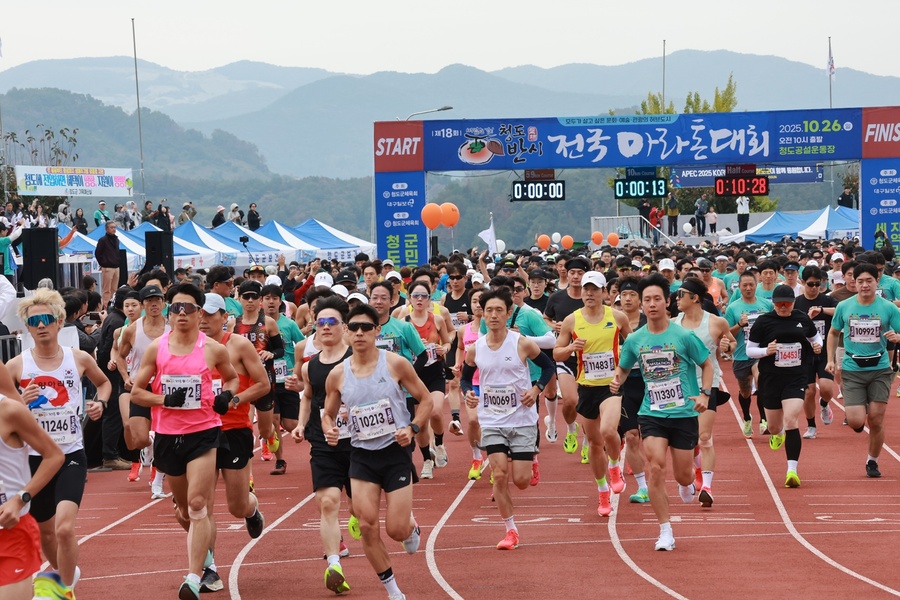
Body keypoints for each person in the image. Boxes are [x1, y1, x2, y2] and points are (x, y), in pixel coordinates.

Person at [130, 282, 239, 600]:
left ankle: (194, 576)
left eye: (188, 308)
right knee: (181, 510)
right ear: (168, 310)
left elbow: (231, 377)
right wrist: (165, 398)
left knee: (197, 504)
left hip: (204, 432)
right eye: (175, 307)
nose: (180, 313)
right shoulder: (157, 348)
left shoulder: (212, 349)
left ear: (198, 312)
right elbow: (137, 392)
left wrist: (227, 397)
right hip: (167, 437)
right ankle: (205, 559)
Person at [321, 303, 432, 600]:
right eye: (353, 327)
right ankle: (394, 592)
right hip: (361, 456)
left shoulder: (395, 364)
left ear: (376, 331)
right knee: (367, 525)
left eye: (366, 328)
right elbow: (328, 414)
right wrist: (329, 428)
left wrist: (413, 428)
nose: (359, 333)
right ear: (346, 332)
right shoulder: (337, 375)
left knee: (395, 530)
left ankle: (410, 527)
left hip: (395, 452)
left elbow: (425, 399)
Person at [5, 289, 111, 595]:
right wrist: (20, 402)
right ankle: (67, 573)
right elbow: (5, 411)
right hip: (33, 461)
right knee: (46, 534)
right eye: (34, 320)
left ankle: (65, 589)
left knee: (65, 528)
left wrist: (99, 404)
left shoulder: (76, 359)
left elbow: (103, 383)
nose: (41, 325)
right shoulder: (16, 366)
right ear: (27, 326)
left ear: (59, 321)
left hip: (70, 455)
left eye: (46, 319)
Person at [610, 273, 713, 551]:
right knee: (655, 467)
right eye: (647, 300)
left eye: (657, 298)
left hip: (683, 414)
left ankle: (688, 483)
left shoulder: (683, 336)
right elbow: (624, 365)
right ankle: (665, 530)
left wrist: (704, 393)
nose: (652, 304)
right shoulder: (635, 340)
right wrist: (617, 378)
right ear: (641, 305)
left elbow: (706, 365)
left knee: (683, 475)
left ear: (667, 301)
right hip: (651, 413)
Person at [460, 287, 555, 550]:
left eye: (498, 310)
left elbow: (549, 366)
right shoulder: (475, 348)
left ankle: (532, 460)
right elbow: (466, 378)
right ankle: (510, 530)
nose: (492, 315)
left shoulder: (521, 343)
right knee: (499, 474)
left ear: (508, 313)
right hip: (492, 419)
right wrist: (469, 393)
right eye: (488, 310)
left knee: (521, 482)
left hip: (522, 419)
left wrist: (536, 389)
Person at [196, 292, 270, 592]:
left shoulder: (238, 345)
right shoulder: (185, 347)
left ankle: (251, 511)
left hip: (234, 429)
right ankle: (208, 568)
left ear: (224, 316)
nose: (202, 319)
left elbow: (263, 384)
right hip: (199, 432)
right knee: (201, 505)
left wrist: (235, 399)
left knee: (236, 506)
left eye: (209, 314)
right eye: (198, 312)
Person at [289, 295, 355, 594]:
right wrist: (302, 425)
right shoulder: (309, 366)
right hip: (323, 440)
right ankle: (333, 564)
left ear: (344, 326)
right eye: (321, 322)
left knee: (365, 511)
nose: (326, 327)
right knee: (327, 502)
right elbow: (306, 396)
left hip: (360, 441)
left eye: (332, 322)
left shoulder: (359, 358)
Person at [554, 271, 631, 516]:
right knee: (596, 444)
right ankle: (602, 493)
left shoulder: (618, 317)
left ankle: (616, 466)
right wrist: (570, 348)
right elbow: (556, 354)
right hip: (586, 387)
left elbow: (632, 345)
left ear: (604, 292)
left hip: (611, 387)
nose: (589, 293)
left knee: (609, 431)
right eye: (586, 289)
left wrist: (624, 369)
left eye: (595, 289)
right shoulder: (571, 321)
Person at [827, 262, 900, 478]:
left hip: (879, 368)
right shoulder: (844, 306)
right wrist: (830, 360)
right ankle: (858, 418)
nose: (865, 285)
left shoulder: (888, 308)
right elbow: (833, 333)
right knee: (857, 421)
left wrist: (897, 337)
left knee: (876, 419)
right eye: (860, 281)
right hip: (852, 368)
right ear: (853, 282)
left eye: (869, 281)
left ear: (877, 281)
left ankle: (872, 461)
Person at [747, 284, 822, 488]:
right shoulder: (764, 322)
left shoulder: (802, 319)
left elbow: (816, 338)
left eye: (786, 303)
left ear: (793, 303)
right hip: (771, 378)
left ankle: (792, 471)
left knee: (791, 421)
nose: (782, 307)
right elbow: (750, 350)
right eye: (778, 303)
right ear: (773, 303)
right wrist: (765, 351)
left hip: (796, 377)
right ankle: (777, 434)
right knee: (774, 426)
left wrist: (818, 346)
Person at [672, 277, 736, 507]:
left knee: (705, 437)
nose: (677, 298)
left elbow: (731, 342)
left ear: (695, 297)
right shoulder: (673, 323)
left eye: (681, 294)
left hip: (708, 384)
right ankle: (695, 471)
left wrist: (728, 346)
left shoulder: (716, 323)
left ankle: (707, 486)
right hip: (679, 386)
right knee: (687, 440)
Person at [0, 373, 64, 600]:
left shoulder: (9, 412)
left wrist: (19, 500)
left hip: (10, 532)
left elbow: (54, 456)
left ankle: (51, 592)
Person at [116, 284, 171, 497]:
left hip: (165, 386)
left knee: (166, 438)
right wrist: (125, 376)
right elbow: (120, 356)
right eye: (149, 301)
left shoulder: (171, 327)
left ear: (163, 302)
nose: (154, 304)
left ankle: (158, 481)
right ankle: (149, 445)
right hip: (140, 385)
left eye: (157, 300)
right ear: (142, 305)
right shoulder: (132, 329)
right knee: (138, 438)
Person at [544, 255, 591, 459]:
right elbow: (546, 317)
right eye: (572, 272)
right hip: (565, 357)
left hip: (590, 358)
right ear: (566, 273)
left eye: (580, 273)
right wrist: (552, 325)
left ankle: (588, 443)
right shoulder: (557, 298)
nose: (575, 276)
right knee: (571, 401)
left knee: (589, 406)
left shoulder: (591, 298)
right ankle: (572, 429)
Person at [233, 280, 285, 462]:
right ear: (239, 299)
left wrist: (271, 353)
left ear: (260, 300)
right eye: (246, 297)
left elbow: (281, 349)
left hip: (264, 381)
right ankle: (248, 477)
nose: (250, 301)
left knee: (264, 429)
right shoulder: (234, 324)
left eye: (254, 297)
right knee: (245, 428)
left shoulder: (268, 323)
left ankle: (270, 437)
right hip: (242, 382)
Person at [261, 283, 305, 475]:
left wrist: (298, 369)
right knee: (274, 419)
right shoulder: (256, 325)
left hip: (286, 379)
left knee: (290, 424)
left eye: (274, 298)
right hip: (265, 381)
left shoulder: (288, 324)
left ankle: (318, 438)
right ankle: (280, 461)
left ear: (280, 301)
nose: (271, 302)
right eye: (267, 298)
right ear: (261, 301)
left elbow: (302, 344)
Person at [794, 265, 838, 439]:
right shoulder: (797, 302)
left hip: (825, 351)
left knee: (827, 388)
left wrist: (820, 310)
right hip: (805, 353)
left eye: (818, 284)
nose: (814, 288)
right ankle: (811, 426)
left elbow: (840, 310)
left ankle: (824, 403)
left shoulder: (827, 300)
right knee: (808, 391)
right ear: (803, 282)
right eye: (810, 284)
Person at [94, 221, 121, 309]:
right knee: (107, 289)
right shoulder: (103, 240)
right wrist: (103, 263)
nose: (114, 229)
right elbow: (98, 253)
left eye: (114, 227)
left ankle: (113, 305)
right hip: (108, 266)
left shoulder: (116, 239)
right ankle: (106, 307)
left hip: (116, 266)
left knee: (115, 289)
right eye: (112, 227)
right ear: (107, 229)